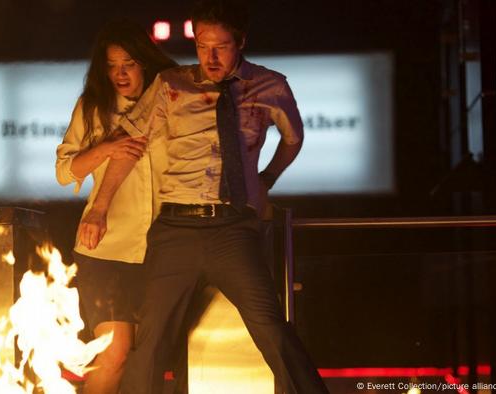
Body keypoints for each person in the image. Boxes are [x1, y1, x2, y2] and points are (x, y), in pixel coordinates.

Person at [81, 1, 330, 393]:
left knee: (273, 330)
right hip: (176, 227)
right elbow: (130, 146)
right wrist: (99, 207)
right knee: (151, 342)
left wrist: (267, 177)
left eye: (221, 46)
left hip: (232, 229)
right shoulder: (171, 84)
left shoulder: (271, 85)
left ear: (240, 42)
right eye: (201, 45)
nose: (210, 57)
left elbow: (293, 138)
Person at [55, 19, 177, 394]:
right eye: (111, 65)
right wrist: (106, 148)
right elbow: (64, 171)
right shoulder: (93, 107)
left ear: (144, 62)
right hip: (105, 248)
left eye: (128, 63)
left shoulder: (171, 103)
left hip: (161, 247)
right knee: (115, 352)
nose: (120, 74)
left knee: (144, 359)